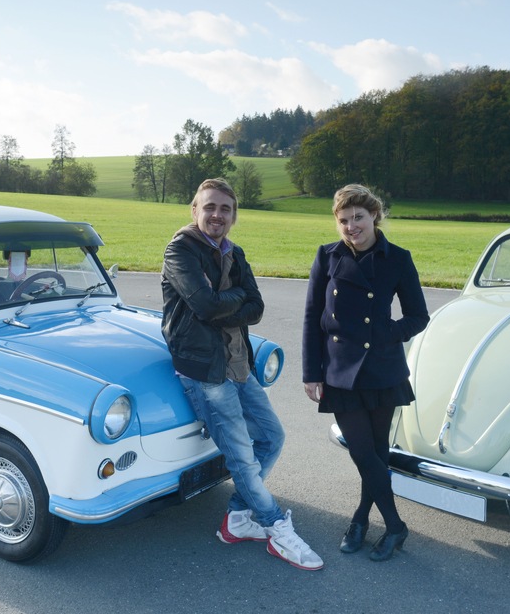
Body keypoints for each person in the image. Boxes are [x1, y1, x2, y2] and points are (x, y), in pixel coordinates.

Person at [161, 178, 323, 571]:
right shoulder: (180, 250)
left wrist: (222, 304)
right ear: (194, 210)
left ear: (234, 216)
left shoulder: (235, 252)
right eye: (210, 207)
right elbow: (203, 305)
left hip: (236, 361)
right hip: (204, 369)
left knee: (271, 437)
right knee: (241, 457)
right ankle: (275, 527)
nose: (217, 215)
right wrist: (230, 302)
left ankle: (236, 518)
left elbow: (257, 308)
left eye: (226, 209)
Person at [301, 184, 430, 562]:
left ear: (375, 215)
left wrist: (385, 334)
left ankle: (360, 518)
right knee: (362, 451)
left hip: (381, 369)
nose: (351, 226)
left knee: (374, 454)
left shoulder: (398, 259)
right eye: (343, 220)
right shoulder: (327, 257)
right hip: (340, 371)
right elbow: (312, 318)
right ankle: (394, 525)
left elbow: (417, 316)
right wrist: (312, 372)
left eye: (358, 217)